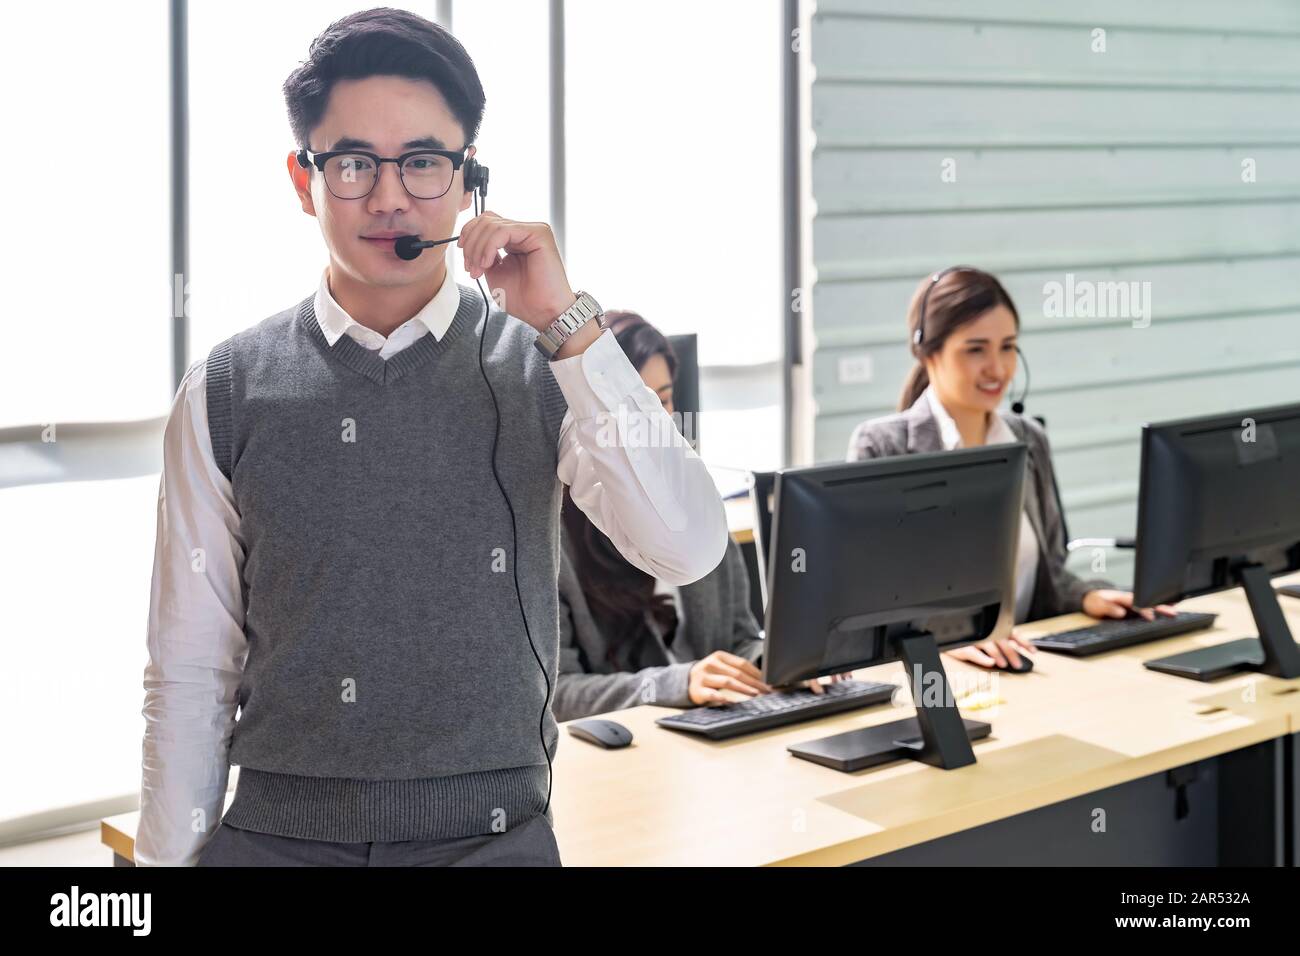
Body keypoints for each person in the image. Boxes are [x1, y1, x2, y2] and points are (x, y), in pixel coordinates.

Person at [137, 8, 727, 867]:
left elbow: (687, 547)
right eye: (353, 163)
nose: (388, 197)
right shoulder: (225, 389)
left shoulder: (543, 365)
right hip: (275, 840)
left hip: (496, 839)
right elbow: (189, 670)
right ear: (305, 182)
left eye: (422, 162)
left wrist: (569, 327)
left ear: (467, 182)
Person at [846, 266, 1174, 670]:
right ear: (927, 351)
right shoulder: (884, 447)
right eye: (976, 349)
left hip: (1028, 662)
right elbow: (870, 601)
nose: (998, 369)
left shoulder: (1027, 440)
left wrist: (1086, 595)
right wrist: (946, 639)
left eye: (1007, 347)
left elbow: (1050, 571)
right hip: (934, 674)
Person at [553, 313, 848, 722]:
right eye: (637, 404)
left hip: (716, 738)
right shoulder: (555, 539)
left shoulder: (696, 512)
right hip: (631, 756)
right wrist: (679, 683)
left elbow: (741, 639)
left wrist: (780, 665)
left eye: (664, 399)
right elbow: (557, 693)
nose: (656, 420)